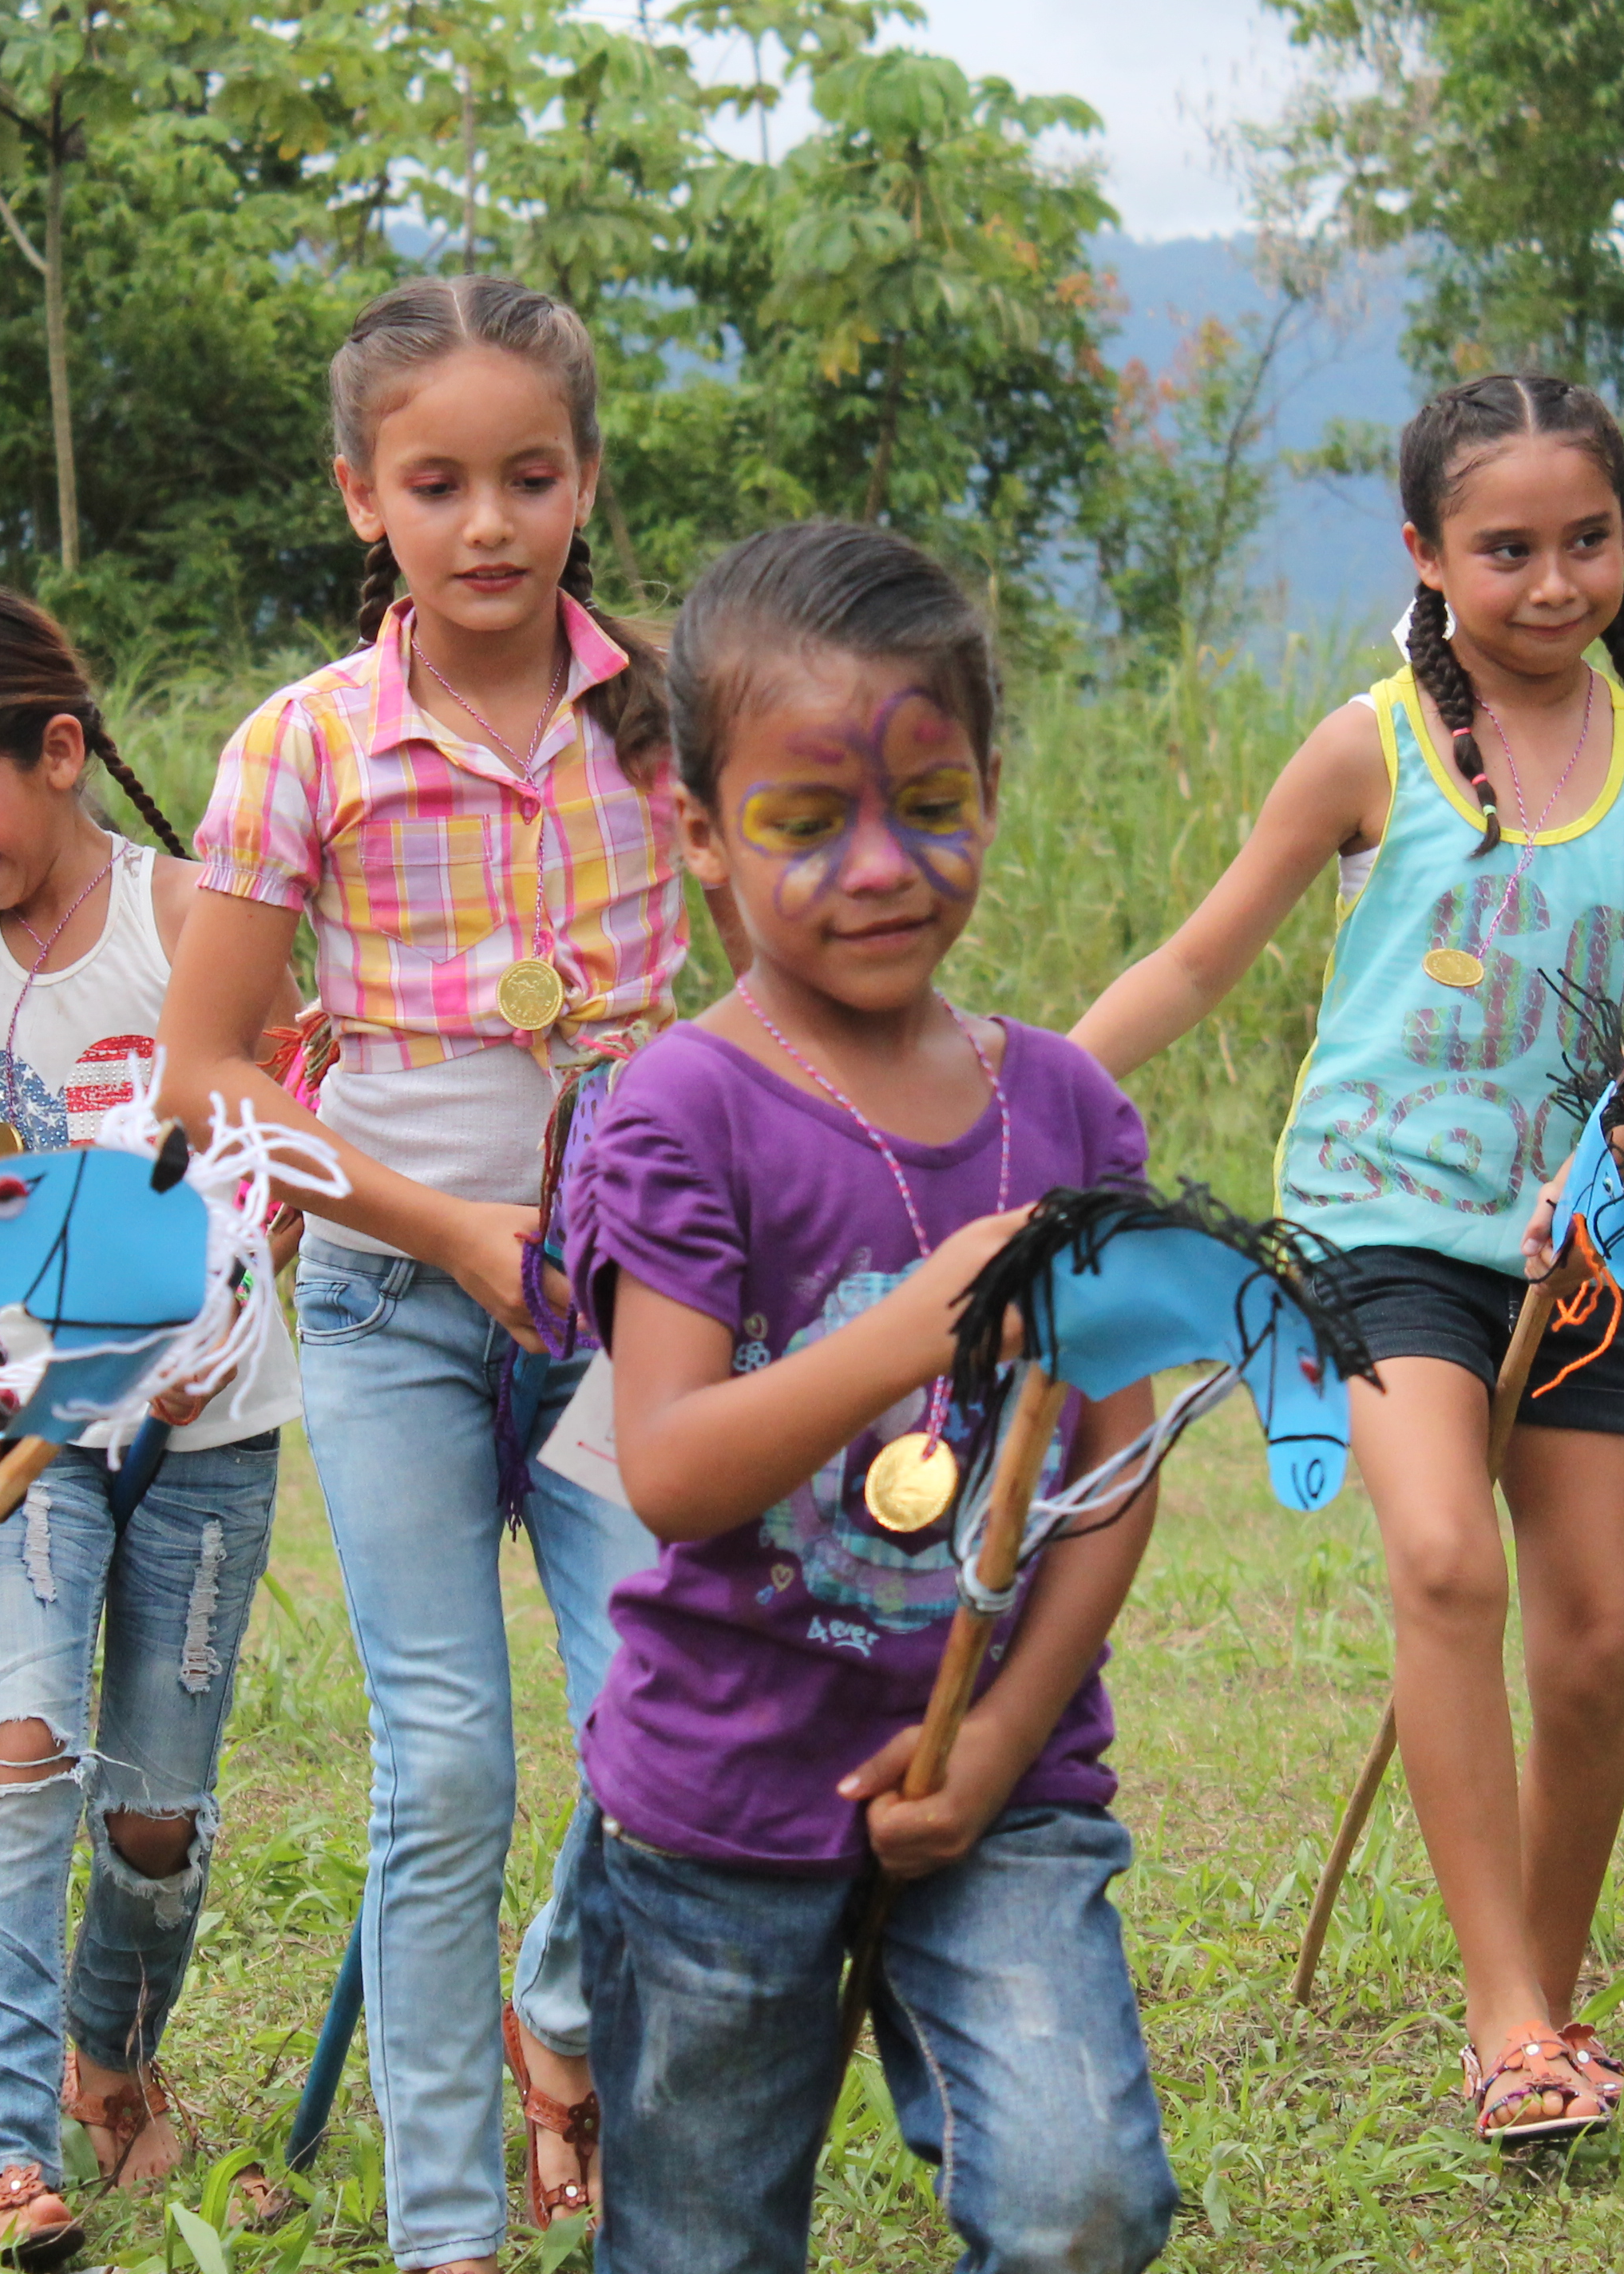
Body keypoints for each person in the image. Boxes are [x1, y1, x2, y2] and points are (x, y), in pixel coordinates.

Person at [1071, 374, 1624, 2145]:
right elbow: (1202, 956)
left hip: (1581, 1251)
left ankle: (1551, 1976)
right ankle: (1504, 2021)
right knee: (1448, 1560)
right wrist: (1031, 1098)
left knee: (1597, 1643)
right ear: (1425, 554)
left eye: (1588, 539)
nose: (1553, 582)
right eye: (1506, 548)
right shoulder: (1365, 745)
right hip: (1381, 1230)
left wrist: (1613, 1143)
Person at [154, 275, 723, 2268]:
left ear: (583, 483)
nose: (486, 521)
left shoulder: (670, 713)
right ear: (360, 498)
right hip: (403, 1306)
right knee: (449, 1759)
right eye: (436, 481)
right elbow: (214, 1078)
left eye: (529, 476)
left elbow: (787, 971)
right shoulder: (301, 743)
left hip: (640, 1308)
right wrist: (444, 1227)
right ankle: (452, 2231)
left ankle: (561, 2021)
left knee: (688, 1702)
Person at [563, 521, 1180, 2273]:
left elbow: (1112, 1479)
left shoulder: (1066, 1110)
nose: (883, 865)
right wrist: (911, 1330)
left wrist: (991, 1750)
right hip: (722, 1797)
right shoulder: (682, 1108)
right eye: (807, 820)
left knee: (1081, 2204)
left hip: (1007, 1772)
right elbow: (674, 1469)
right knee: (699, 2239)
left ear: (992, 783)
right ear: (696, 833)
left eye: (933, 799)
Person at [0, 584, 303, 2264]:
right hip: (30, 1430)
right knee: (20, 1749)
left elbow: (286, 1163)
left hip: (211, 1430)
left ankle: (112, 2055)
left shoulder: (192, 916)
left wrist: (219, 1300)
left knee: (153, 1813)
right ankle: (3, 2157)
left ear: (58, 752)